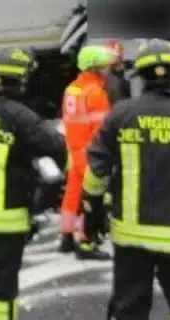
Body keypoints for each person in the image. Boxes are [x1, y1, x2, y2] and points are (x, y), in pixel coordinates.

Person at [81, 39, 170, 320]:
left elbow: (96, 172)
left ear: (142, 77)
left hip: (131, 237)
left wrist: (92, 214)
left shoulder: (121, 115)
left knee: (129, 308)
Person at [0, 47, 67, 320]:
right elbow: (57, 146)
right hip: (5, 219)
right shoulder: (21, 117)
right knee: (2, 289)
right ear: (23, 79)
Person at [57, 45, 114, 259]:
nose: (108, 69)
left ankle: (66, 235)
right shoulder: (96, 93)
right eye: (104, 66)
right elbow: (103, 130)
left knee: (72, 193)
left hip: (74, 149)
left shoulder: (72, 88)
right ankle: (85, 240)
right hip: (91, 153)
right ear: (94, 68)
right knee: (90, 196)